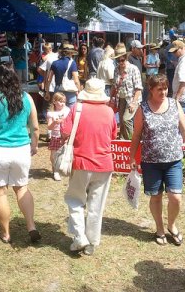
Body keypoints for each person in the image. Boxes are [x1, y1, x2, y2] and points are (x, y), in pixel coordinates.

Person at [0, 62, 41, 244]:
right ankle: (31, 226)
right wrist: (34, 146)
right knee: (22, 189)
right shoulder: (26, 97)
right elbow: (35, 127)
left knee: (0, 193)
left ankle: (6, 233)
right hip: (21, 149)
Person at [130, 74, 185, 246]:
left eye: (165, 88)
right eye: (159, 89)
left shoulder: (175, 104)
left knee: (176, 197)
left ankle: (171, 225)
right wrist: (132, 157)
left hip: (173, 160)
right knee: (156, 197)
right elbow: (136, 135)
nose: (163, 92)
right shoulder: (142, 109)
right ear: (150, 90)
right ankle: (159, 228)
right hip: (151, 162)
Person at [62, 78, 117, 255]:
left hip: (81, 161)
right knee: (96, 204)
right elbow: (113, 134)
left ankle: (79, 237)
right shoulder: (109, 112)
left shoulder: (76, 109)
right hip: (104, 163)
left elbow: (64, 132)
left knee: (75, 200)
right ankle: (92, 241)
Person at [110, 49, 143, 140]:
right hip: (121, 98)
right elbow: (114, 85)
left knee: (126, 119)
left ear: (126, 58)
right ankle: (123, 140)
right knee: (121, 121)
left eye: (122, 60)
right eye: (118, 60)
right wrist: (110, 98)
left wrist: (133, 102)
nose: (120, 62)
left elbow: (138, 88)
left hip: (132, 98)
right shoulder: (116, 69)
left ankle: (132, 141)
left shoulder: (133, 69)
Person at [45, 43, 80, 107]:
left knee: (58, 111)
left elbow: (49, 79)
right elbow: (76, 80)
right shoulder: (72, 63)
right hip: (70, 91)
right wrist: (79, 90)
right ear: (70, 53)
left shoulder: (55, 63)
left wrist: (47, 92)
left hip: (58, 90)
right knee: (70, 111)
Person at [47, 92, 70, 181]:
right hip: (55, 136)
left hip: (65, 136)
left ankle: (58, 171)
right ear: (54, 101)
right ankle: (54, 170)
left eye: (64, 101)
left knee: (63, 154)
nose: (62, 103)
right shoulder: (51, 113)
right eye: (60, 101)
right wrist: (54, 122)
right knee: (53, 155)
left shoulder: (67, 110)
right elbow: (49, 126)